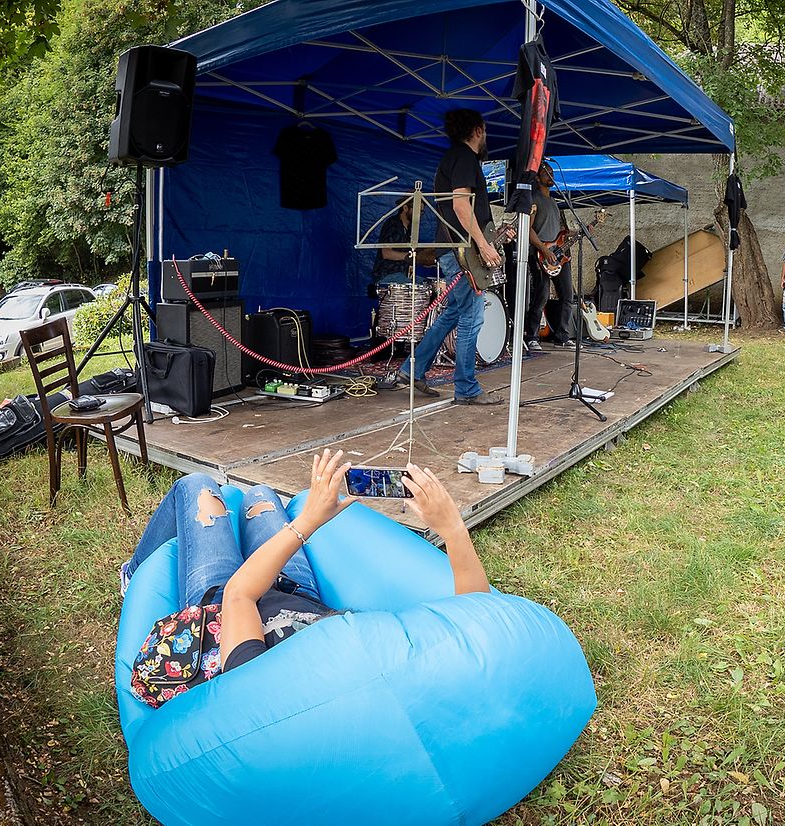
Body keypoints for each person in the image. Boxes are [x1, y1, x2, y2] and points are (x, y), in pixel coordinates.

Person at [121, 451, 490, 683]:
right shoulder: (383, 666)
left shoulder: (262, 681)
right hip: (295, 590)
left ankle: (132, 575)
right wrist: (452, 528)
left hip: (222, 604)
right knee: (261, 494)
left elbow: (239, 595)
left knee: (196, 485)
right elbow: (476, 618)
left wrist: (309, 521)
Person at [389, 109, 505, 405]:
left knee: (452, 314)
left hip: (455, 250)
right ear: (477, 130)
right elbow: (461, 206)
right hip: (461, 252)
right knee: (472, 318)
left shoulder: (454, 158)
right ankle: (466, 388)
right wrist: (484, 245)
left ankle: (412, 370)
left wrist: (492, 237)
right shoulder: (464, 158)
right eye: (485, 130)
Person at [523, 164, 575, 350]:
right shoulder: (533, 199)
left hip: (558, 255)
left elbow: (560, 233)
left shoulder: (554, 202)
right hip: (540, 254)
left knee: (567, 295)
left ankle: (562, 335)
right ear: (537, 178)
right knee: (541, 296)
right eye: (546, 173)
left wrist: (579, 232)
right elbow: (527, 229)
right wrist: (544, 250)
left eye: (552, 173)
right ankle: (532, 336)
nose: (550, 175)